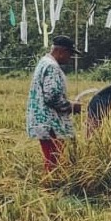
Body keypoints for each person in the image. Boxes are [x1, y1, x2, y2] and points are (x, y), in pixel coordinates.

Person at [26, 35, 81, 171]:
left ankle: (51, 186)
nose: (70, 58)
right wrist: (71, 106)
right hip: (50, 123)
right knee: (53, 159)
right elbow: (51, 96)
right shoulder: (52, 67)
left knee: (52, 158)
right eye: (69, 54)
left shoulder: (44, 62)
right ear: (61, 51)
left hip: (42, 120)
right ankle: (51, 186)